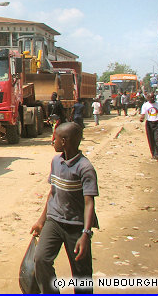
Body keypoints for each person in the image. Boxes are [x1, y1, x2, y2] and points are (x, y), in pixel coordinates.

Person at [30, 122, 99, 294]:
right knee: (41, 259)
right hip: (54, 221)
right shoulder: (56, 162)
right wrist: (41, 220)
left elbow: (89, 202)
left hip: (76, 225)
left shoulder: (85, 168)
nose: (52, 140)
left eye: (55, 138)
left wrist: (86, 233)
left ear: (65, 141)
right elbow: (53, 192)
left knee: (81, 274)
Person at [139, 93, 158, 162]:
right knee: (151, 139)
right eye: (150, 98)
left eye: (153, 97)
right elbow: (143, 114)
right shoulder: (145, 105)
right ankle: (153, 154)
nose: (152, 99)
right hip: (149, 124)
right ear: (147, 98)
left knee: (157, 139)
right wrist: (141, 118)